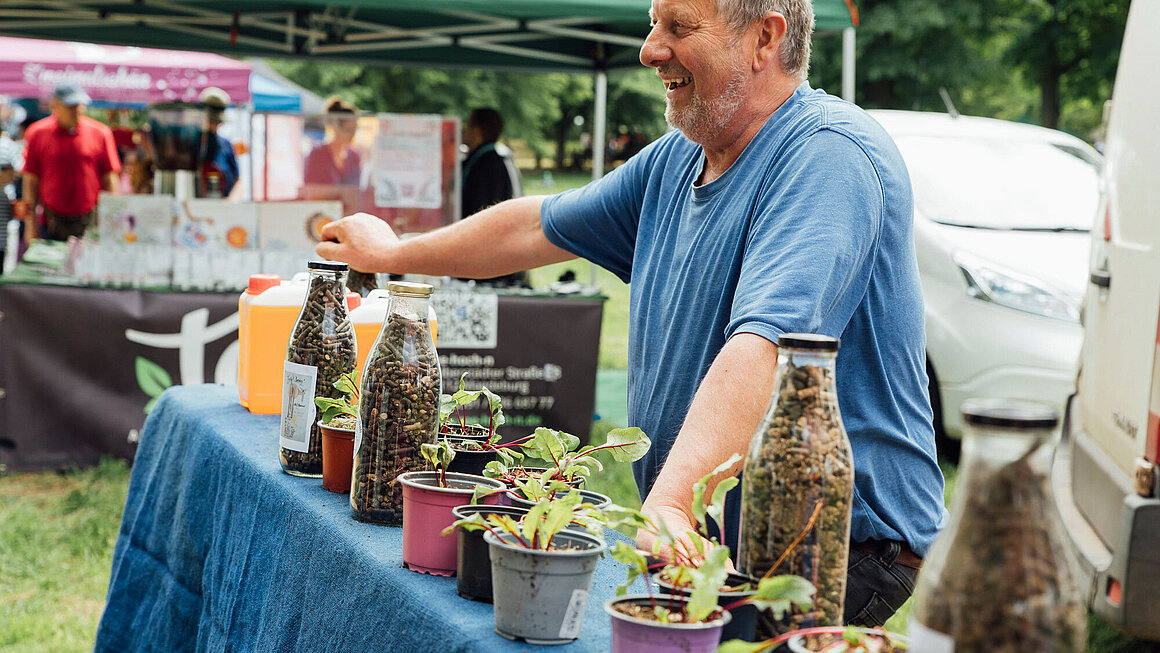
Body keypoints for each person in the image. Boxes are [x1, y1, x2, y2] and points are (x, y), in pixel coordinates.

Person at [317, 0, 946, 627]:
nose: (649, 48)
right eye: (653, 23)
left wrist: (671, 503)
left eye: (678, 26)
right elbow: (537, 225)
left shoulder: (827, 156)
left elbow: (769, 344)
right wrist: (397, 252)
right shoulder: (678, 159)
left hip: (829, 550)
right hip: (706, 542)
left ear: (764, 38)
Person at [21, 82, 120, 243]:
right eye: (71, 105)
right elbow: (30, 182)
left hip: (91, 223)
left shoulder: (100, 133)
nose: (77, 110)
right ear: (55, 105)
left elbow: (110, 180)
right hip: (51, 223)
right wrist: (30, 225)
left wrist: (112, 222)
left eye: (80, 105)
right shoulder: (37, 133)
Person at [459, 108, 527, 287]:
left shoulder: (485, 165)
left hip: (482, 263)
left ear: (477, 130)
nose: (463, 132)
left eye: (467, 126)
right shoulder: (494, 161)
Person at [304, 96, 362, 187]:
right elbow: (310, 189)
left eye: (354, 130)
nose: (352, 135)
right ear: (335, 127)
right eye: (348, 130)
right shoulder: (317, 154)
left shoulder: (355, 156)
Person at [199, 87, 240, 199]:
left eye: (217, 122)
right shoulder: (193, 144)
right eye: (212, 121)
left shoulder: (225, 144)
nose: (214, 126)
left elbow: (238, 181)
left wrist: (231, 201)